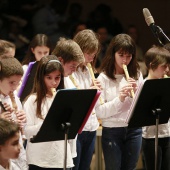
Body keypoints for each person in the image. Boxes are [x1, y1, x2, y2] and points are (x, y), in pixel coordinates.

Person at [96, 34, 143, 170]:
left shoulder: (137, 74)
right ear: (113, 54)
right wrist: (120, 99)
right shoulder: (103, 78)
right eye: (121, 55)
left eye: (129, 56)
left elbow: (140, 108)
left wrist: (135, 95)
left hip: (134, 130)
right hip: (112, 130)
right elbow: (100, 112)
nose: (125, 60)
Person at [23, 55, 74, 170]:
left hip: (61, 158)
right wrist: (46, 123)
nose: (54, 82)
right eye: (49, 78)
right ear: (41, 78)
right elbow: (26, 132)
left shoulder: (65, 99)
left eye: (57, 78)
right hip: (39, 161)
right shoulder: (32, 101)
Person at [72, 29, 101, 170]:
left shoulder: (88, 71)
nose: (91, 58)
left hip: (91, 126)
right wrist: (89, 93)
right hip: (77, 129)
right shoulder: (70, 71)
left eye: (93, 55)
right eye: (88, 54)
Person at [51, 37, 84, 160]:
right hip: (50, 151)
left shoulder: (70, 81)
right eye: (73, 66)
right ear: (60, 60)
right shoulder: (45, 82)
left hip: (68, 147)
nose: (75, 70)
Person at [142, 45, 170, 170]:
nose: (167, 69)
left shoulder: (166, 83)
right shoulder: (143, 85)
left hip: (168, 134)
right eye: (164, 66)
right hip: (151, 137)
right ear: (152, 65)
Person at [0, 57, 28, 170]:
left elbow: (23, 128)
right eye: (11, 83)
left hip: (18, 152)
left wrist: (22, 122)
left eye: (18, 83)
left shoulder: (15, 98)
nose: (15, 87)